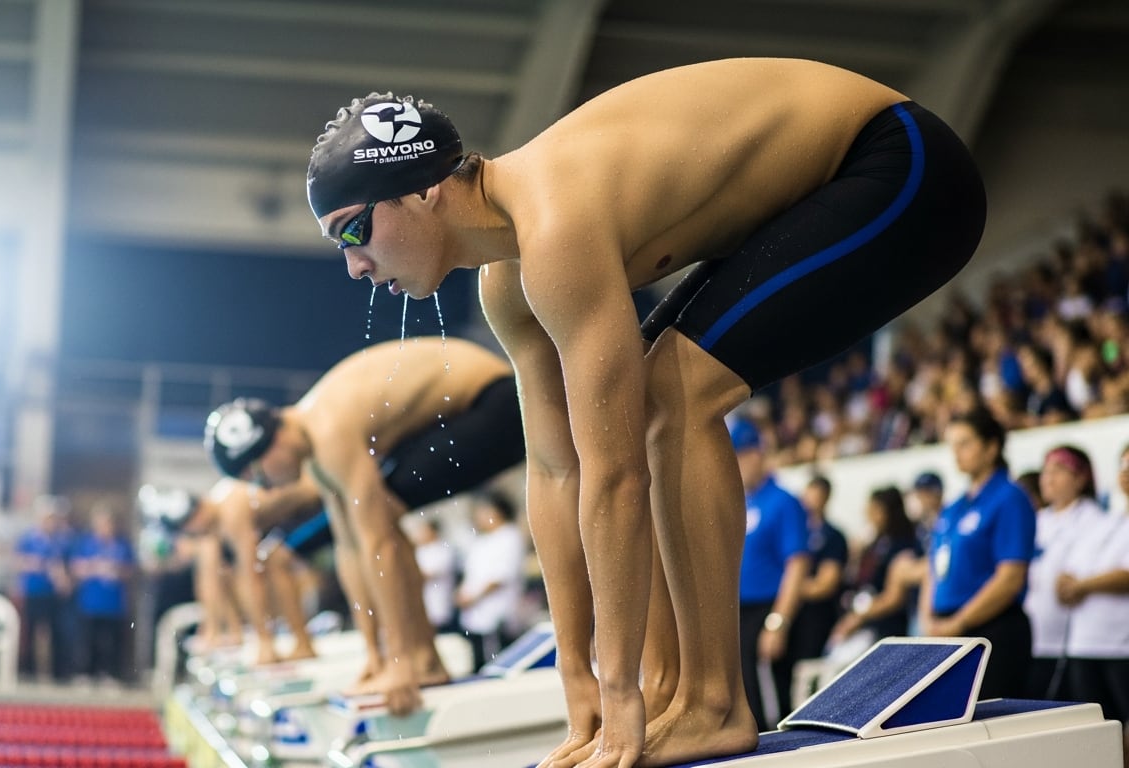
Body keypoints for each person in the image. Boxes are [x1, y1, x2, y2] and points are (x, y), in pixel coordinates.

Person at [306, 57, 985, 766]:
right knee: (655, 399)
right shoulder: (505, 285)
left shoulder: (553, 224)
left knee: (671, 396)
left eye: (352, 232)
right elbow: (556, 474)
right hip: (822, 185)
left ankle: (714, 702)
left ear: (422, 191)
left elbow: (617, 476)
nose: (354, 267)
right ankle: (673, 692)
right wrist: (580, 678)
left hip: (903, 166)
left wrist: (617, 691)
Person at [204, 337, 524, 714]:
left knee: (381, 515)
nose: (263, 488)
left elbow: (379, 545)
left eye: (257, 475)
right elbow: (350, 550)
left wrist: (397, 663)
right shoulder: (319, 455)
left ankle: (417, 660)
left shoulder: (327, 428)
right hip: (469, 412)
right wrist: (374, 655)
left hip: (499, 403)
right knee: (370, 523)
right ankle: (419, 659)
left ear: (270, 442)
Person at [919, 407, 1035, 700]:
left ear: (991, 447)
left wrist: (959, 623)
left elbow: (1010, 577)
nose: (957, 453)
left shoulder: (1009, 498)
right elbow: (934, 569)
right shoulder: (954, 507)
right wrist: (928, 620)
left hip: (990, 629)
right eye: (953, 445)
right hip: (947, 630)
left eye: (965, 443)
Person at [186, 476, 324, 665]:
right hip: (302, 510)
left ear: (200, 508)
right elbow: (210, 577)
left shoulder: (230, 510)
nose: (195, 530)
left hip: (320, 499)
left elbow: (251, 573)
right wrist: (213, 629)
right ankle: (301, 641)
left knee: (274, 560)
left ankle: (303, 643)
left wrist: (264, 640)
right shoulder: (213, 517)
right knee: (268, 560)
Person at [731, 419, 810, 730]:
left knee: (771, 706)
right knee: (747, 698)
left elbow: (797, 564)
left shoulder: (783, 502)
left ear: (754, 455)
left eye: (737, 457)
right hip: (740, 613)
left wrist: (779, 621)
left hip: (768, 609)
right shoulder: (740, 502)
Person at [1055, 443, 1129, 755]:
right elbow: (1068, 570)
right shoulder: (1106, 521)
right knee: (1098, 734)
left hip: (1122, 645)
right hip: (1086, 644)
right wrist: (1068, 584)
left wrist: (1082, 586)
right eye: (1123, 466)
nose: (1126, 473)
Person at [1023, 445, 1103, 700]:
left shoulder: (1093, 519)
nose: (1048, 478)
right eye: (1045, 471)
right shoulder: (1037, 519)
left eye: (1059, 470)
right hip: (1032, 638)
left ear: (1081, 478)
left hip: (1066, 642)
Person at [830, 487, 923, 644]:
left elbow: (894, 597)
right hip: (868, 620)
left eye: (875, 510)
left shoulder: (903, 545)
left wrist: (860, 616)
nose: (870, 515)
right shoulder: (875, 542)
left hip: (889, 627)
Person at [456, 489, 527, 673]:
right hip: (475, 615)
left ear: (497, 511)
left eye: (483, 511)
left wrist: (473, 597)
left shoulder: (509, 536)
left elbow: (500, 576)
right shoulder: (482, 541)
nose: (479, 516)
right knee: (478, 664)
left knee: (496, 666)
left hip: (496, 616)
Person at [70, 505, 137, 684]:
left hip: (113, 603)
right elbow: (76, 568)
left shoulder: (123, 544)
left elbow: (131, 570)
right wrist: (94, 566)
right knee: (87, 640)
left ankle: (109, 674)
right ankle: (85, 673)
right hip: (90, 601)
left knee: (111, 641)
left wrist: (115, 569)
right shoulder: (85, 543)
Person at [789, 475, 848, 671]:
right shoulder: (796, 532)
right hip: (794, 616)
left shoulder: (832, 536)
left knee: (808, 670)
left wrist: (790, 588)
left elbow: (825, 585)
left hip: (816, 618)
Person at [13, 496, 73, 681]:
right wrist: (34, 564)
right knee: (30, 631)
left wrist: (62, 579)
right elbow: (17, 561)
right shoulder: (28, 538)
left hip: (52, 593)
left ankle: (57, 673)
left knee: (55, 632)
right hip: (34, 591)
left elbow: (65, 566)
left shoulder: (60, 541)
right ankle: (27, 671)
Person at [411, 517, 459, 635]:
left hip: (439, 605)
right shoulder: (419, 550)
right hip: (422, 608)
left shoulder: (444, 550)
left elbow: (425, 575)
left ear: (433, 531)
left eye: (423, 530)